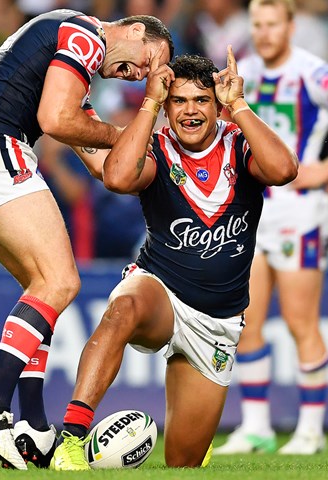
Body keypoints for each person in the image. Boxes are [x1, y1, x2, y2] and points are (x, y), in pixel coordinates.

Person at [0, 10, 173, 470]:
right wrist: (124, 133)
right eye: (149, 59)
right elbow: (55, 119)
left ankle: (35, 426)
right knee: (61, 282)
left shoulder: (71, 66)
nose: (142, 73)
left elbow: (106, 167)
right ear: (137, 30)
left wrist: (143, 150)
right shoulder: (88, 34)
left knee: (43, 288)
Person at [50, 50, 298, 471]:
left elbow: (284, 169)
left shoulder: (239, 144)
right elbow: (118, 177)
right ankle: (70, 439)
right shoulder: (156, 147)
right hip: (159, 288)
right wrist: (148, 102)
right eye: (178, 101)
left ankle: (197, 442)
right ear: (166, 106)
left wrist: (239, 105)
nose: (189, 110)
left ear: (216, 106)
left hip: (217, 321)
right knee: (122, 308)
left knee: (183, 461)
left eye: (200, 100)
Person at [216, 0, 328, 456]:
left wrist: (325, 169)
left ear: (292, 26)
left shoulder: (317, 74)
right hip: (250, 210)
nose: (265, 32)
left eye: (273, 24)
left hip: (299, 210)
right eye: (257, 24)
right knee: (245, 320)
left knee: (299, 320)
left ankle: (311, 430)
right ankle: (256, 426)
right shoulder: (241, 72)